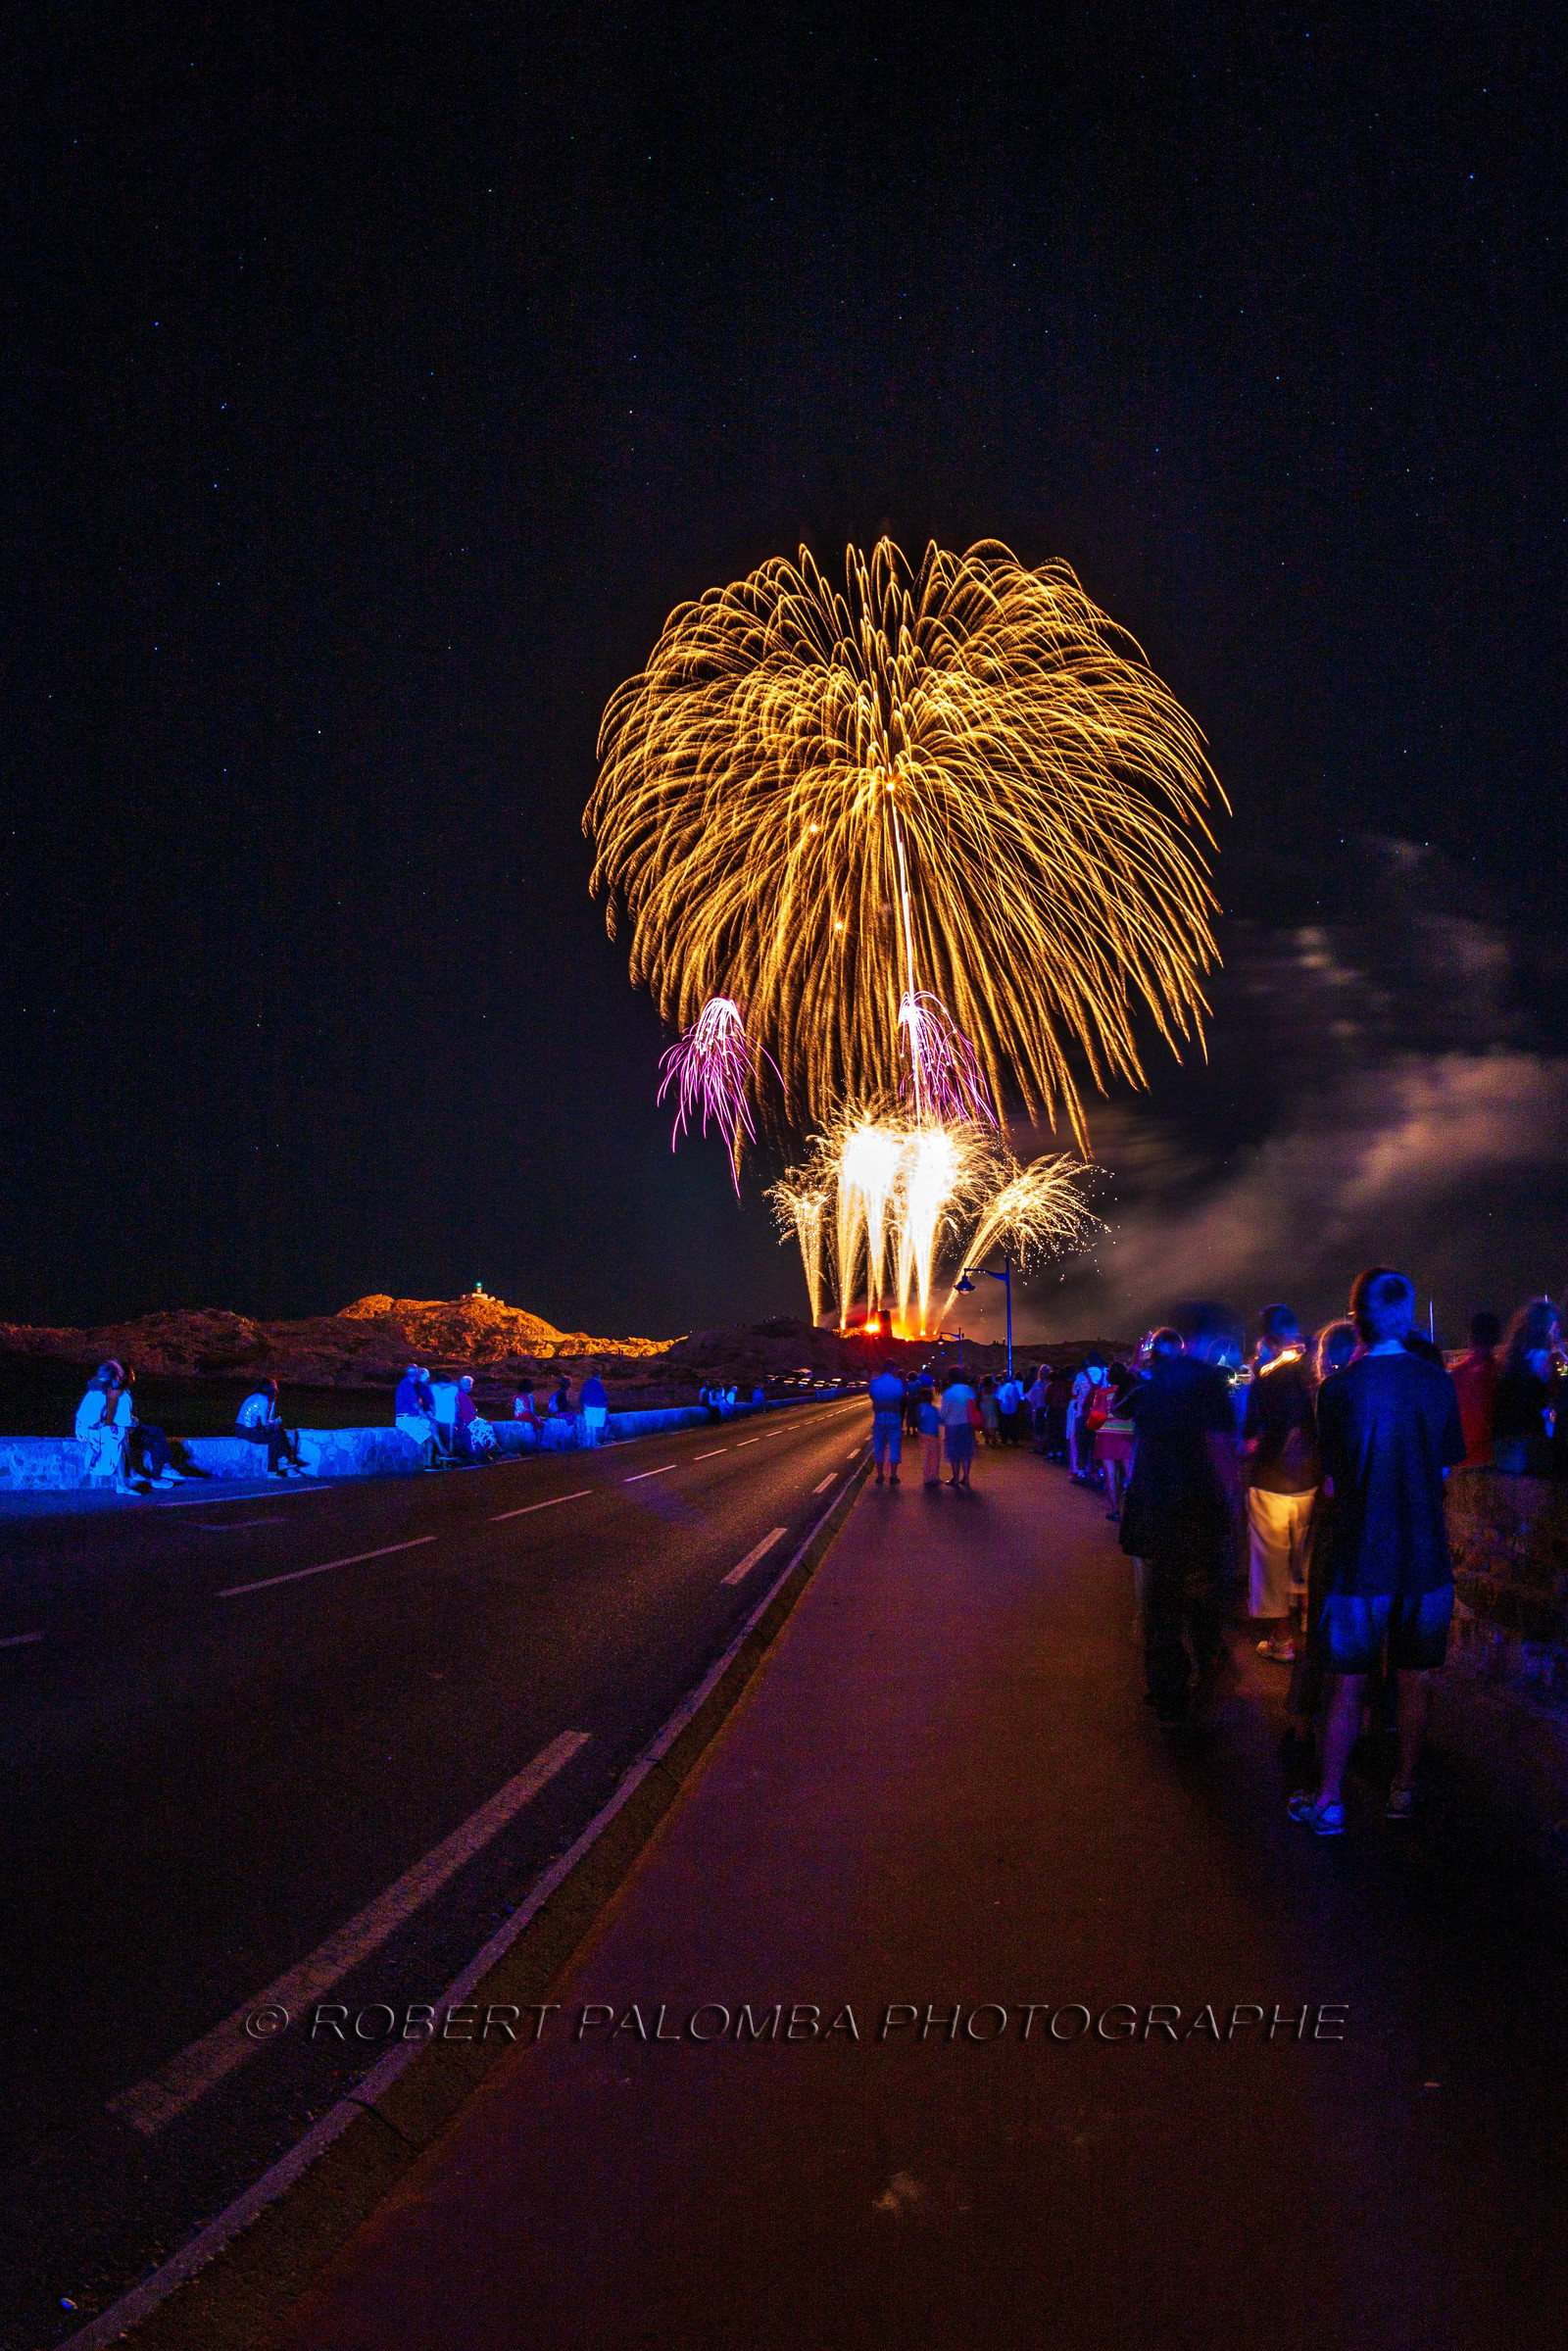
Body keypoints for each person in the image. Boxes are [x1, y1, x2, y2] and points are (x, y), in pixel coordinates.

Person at [1289, 1268, 1465, 1835]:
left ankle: (1331, 1800)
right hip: (1424, 1554)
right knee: (1415, 1680)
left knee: (1348, 1681)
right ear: (1408, 1314)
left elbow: (1336, 1483)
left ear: (1356, 1315)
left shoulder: (1338, 1391)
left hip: (1361, 1554)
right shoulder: (1438, 1383)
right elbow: (1443, 1470)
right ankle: (1403, 1790)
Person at [1120, 1328, 1241, 1730]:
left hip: (1156, 1504)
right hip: (1199, 1506)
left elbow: (1123, 1411)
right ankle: (1204, 1665)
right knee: (1200, 1593)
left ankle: (1168, 1690)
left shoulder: (1147, 1391)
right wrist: (1231, 1506)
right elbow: (1223, 1451)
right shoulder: (1208, 1388)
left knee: (1160, 1600)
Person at [1284, 1319, 1359, 1764]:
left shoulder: (1319, 1401)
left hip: (1326, 1520)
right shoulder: (1354, 1399)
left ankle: (1302, 1727)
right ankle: (1355, 1729)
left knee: (1318, 1631)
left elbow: (1302, 1459)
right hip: (1350, 1521)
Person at [1242, 1305, 1320, 1665]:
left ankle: (1282, 1640)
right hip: (1309, 1477)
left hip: (1271, 1477)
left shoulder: (1266, 1377)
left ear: (1268, 1338)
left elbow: (1251, 1433)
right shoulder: (1315, 1374)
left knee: (1272, 1560)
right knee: (1304, 1555)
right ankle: (1309, 1626)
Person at [1491, 1299, 1564, 1476]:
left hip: (1505, 1449)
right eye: (1555, 1326)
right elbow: (1565, 1377)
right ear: (1545, 1329)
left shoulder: (1510, 1359)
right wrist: (1561, 1352)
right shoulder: (1543, 1358)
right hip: (1530, 1446)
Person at [113, 1365, 182, 1487]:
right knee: (154, 1437)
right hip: (123, 1433)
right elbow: (126, 1422)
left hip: (124, 1432)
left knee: (155, 1432)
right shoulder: (122, 1395)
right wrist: (136, 1421)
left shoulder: (115, 1392)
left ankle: (163, 1467)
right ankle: (158, 1475)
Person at [74, 1361, 137, 1492]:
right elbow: (124, 1420)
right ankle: (124, 1481)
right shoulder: (115, 1393)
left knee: (120, 1432)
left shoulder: (95, 1389)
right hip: (93, 1431)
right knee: (120, 1434)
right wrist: (135, 1422)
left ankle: (126, 1478)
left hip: (84, 1429)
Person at [1450, 1310, 1501, 1467]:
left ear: (1470, 1338)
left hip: (1463, 1459)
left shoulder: (1456, 1374)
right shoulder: (1501, 1372)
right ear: (1496, 1338)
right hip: (1495, 1458)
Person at [235, 1379, 308, 1477]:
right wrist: (276, 1421)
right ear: (269, 1388)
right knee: (275, 1436)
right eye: (275, 1386)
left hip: (242, 1429)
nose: (277, 1388)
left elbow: (267, 1420)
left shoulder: (259, 1398)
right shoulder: (263, 1400)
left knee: (276, 1434)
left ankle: (279, 1466)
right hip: (246, 1431)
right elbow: (265, 1423)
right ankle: (284, 1463)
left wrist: (273, 1404)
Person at [938, 1367, 978, 1489]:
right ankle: (966, 1477)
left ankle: (955, 1478)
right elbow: (974, 1406)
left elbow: (944, 1413)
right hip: (967, 1424)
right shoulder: (969, 1390)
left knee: (954, 1452)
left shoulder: (948, 1393)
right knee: (966, 1451)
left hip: (952, 1424)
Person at [868, 1359, 905, 1486]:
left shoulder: (875, 1383)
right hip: (893, 1415)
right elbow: (900, 1396)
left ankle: (880, 1474)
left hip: (879, 1415)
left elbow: (872, 1396)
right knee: (894, 1445)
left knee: (879, 1445)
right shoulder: (897, 1383)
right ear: (894, 1369)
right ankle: (893, 1475)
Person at [395, 1364, 438, 1468]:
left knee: (433, 1426)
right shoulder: (407, 1386)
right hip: (406, 1419)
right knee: (428, 1437)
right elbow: (417, 1406)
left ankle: (438, 1455)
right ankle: (428, 1464)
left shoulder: (411, 1385)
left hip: (412, 1417)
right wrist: (427, 1417)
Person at [454, 1374, 498, 1459]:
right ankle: (490, 1449)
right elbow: (472, 1411)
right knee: (486, 1426)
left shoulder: (460, 1395)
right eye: (469, 1385)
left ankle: (487, 1450)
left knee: (484, 1425)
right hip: (467, 1421)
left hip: (466, 1420)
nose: (471, 1387)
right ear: (463, 1385)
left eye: (471, 1385)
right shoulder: (462, 1396)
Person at [917, 1380, 943, 1485]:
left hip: (923, 1434)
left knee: (926, 1456)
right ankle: (934, 1477)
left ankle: (926, 1478)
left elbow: (918, 1419)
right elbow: (940, 1421)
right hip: (933, 1435)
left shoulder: (920, 1408)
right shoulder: (934, 1410)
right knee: (935, 1456)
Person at [580, 1372, 610, 1447]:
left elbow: (583, 1395)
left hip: (589, 1407)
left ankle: (589, 1443)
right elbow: (604, 1397)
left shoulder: (587, 1384)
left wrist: (583, 1405)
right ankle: (595, 1442)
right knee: (597, 1426)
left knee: (589, 1425)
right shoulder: (599, 1385)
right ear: (599, 1376)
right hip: (599, 1407)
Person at [996, 1369, 1024, 1445]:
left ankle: (1004, 1439)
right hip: (1013, 1409)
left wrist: (999, 1407)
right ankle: (1014, 1438)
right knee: (1012, 1425)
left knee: (1004, 1425)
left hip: (1004, 1408)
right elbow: (1019, 1397)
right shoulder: (1014, 1387)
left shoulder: (1002, 1388)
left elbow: (999, 1398)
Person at [979, 1375, 1001, 1447]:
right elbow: (997, 1399)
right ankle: (993, 1437)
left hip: (985, 1407)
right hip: (992, 1407)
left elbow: (981, 1399)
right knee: (992, 1422)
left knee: (985, 1422)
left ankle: (987, 1439)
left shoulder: (983, 1390)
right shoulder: (994, 1389)